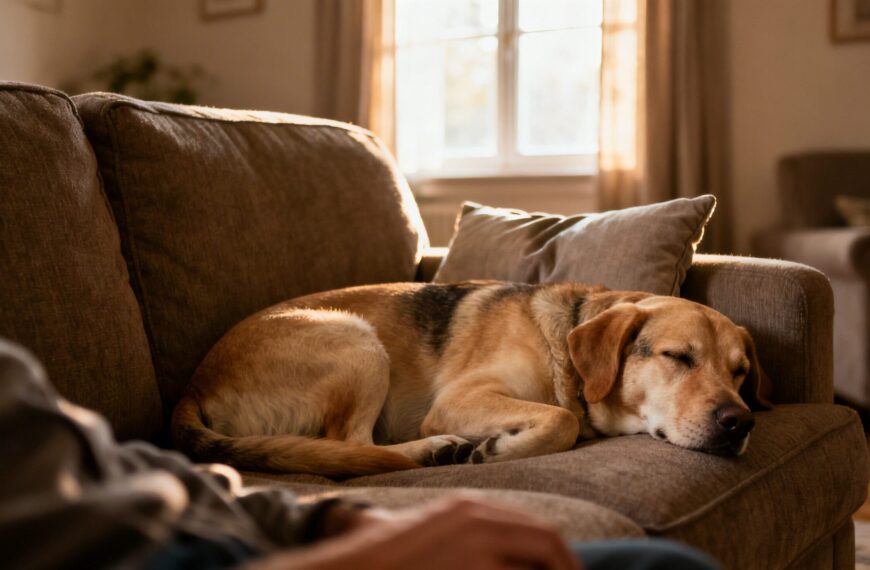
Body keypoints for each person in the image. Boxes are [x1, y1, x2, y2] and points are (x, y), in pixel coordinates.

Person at [0, 339, 719, 569]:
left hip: (229, 524)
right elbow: (454, 409)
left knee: (652, 565)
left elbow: (113, 468)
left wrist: (325, 522)